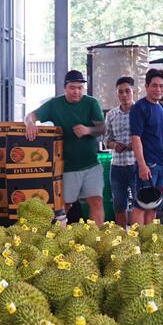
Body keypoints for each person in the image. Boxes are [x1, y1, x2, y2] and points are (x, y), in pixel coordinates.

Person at [24, 70, 106, 225]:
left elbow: (102, 128)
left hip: (91, 164)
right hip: (68, 166)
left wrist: (88, 130)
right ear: (65, 88)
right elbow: (31, 115)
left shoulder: (91, 103)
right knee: (64, 205)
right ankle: (57, 234)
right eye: (72, 88)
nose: (77, 92)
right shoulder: (55, 104)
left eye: (80, 88)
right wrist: (30, 124)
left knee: (97, 201)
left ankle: (97, 236)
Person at [130, 68, 163, 225]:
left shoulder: (161, 108)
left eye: (161, 86)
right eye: (154, 86)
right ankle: (136, 238)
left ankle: (148, 237)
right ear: (146, 86)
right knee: (141, 206)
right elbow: (135, 138)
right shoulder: (139, 108)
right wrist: (142, 165)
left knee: (154, 206)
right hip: (148, 165)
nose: (158, 89)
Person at [105, 76, 137, 227]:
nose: (124, 95)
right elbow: (106, 139)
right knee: (118, 203)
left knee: (139, 203)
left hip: (136, 164)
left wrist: (133, 145)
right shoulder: (111, 115)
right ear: (116, 94)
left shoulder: (140, 112)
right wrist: (114, 145)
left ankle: (137, 235)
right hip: (117, 166)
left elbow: (147, 137)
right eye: (120, 92)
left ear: (133, 92)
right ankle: (121, 235)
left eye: (127, 91)